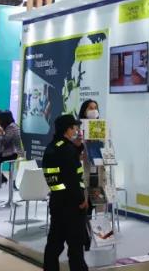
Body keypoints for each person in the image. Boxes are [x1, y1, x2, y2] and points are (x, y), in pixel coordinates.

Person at [42, 114, 90, 271]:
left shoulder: (52, 147)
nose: (76, 131)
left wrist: (76, 148)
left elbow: (61, 173)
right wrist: (81, 200)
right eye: (74, 128)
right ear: (68, 129)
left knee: (54, 245)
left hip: (57, 201)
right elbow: (72, 179)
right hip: (72, 205)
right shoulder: (67, 150)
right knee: (76, 247)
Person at [0, 109, 23, 187]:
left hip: (13, 153)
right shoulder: (12, 126)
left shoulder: (11, 127)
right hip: (12, 151)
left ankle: (0, 180)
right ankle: (1, 179)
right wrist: (1, 133)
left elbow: (5, 141)